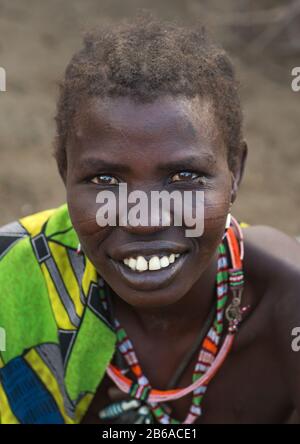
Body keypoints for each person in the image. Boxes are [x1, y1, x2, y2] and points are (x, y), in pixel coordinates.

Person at [0, 15, 300, 425]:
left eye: (184, 177)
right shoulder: (12, 281)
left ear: (236, 173)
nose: (144, 220)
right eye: (105, 179)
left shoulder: (285, 307)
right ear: (64, 175)